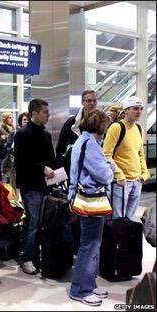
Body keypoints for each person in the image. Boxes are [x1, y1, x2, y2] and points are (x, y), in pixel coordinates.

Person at [68, 110, 115, 306]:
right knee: (90, 245)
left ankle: (88, 283)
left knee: (91, 243)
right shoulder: (92, 145)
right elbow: (104, 175)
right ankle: (80, 289)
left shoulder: (82, 141)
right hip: (91, 200)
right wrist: (111, 166)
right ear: (101, 126)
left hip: (82, 197)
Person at [14, 99, 56, 275]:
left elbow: (51, 159)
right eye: (45, 111)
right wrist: (42, 168)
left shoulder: (46, 134)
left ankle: (37, 255)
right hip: (30, 186)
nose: (48, 114)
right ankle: (27, 258)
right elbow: (21, 162)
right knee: (33, 223)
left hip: (45, 185)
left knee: (42, 223)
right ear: (35, 113)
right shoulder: (22, 134)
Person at [103, 96, 150, 220]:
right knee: (117, 219)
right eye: (135, 108)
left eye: (141, 109)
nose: (139, 111)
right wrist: (119, 175)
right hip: (121, 182)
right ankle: (114, 240)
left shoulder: (139, 128)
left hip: (137, 180)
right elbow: (106, 154)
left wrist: (144, 172)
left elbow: (140, 153)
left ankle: (125, 240)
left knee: (129, 220)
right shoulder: (116, 127)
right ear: (126, 110)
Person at [56, 90, 98, 178]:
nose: (92, 103)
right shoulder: (72, 122)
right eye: (89, 100)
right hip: (74, 166)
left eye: (94, 100)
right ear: (82, 102)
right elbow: (61, 146)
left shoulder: (101, 122)